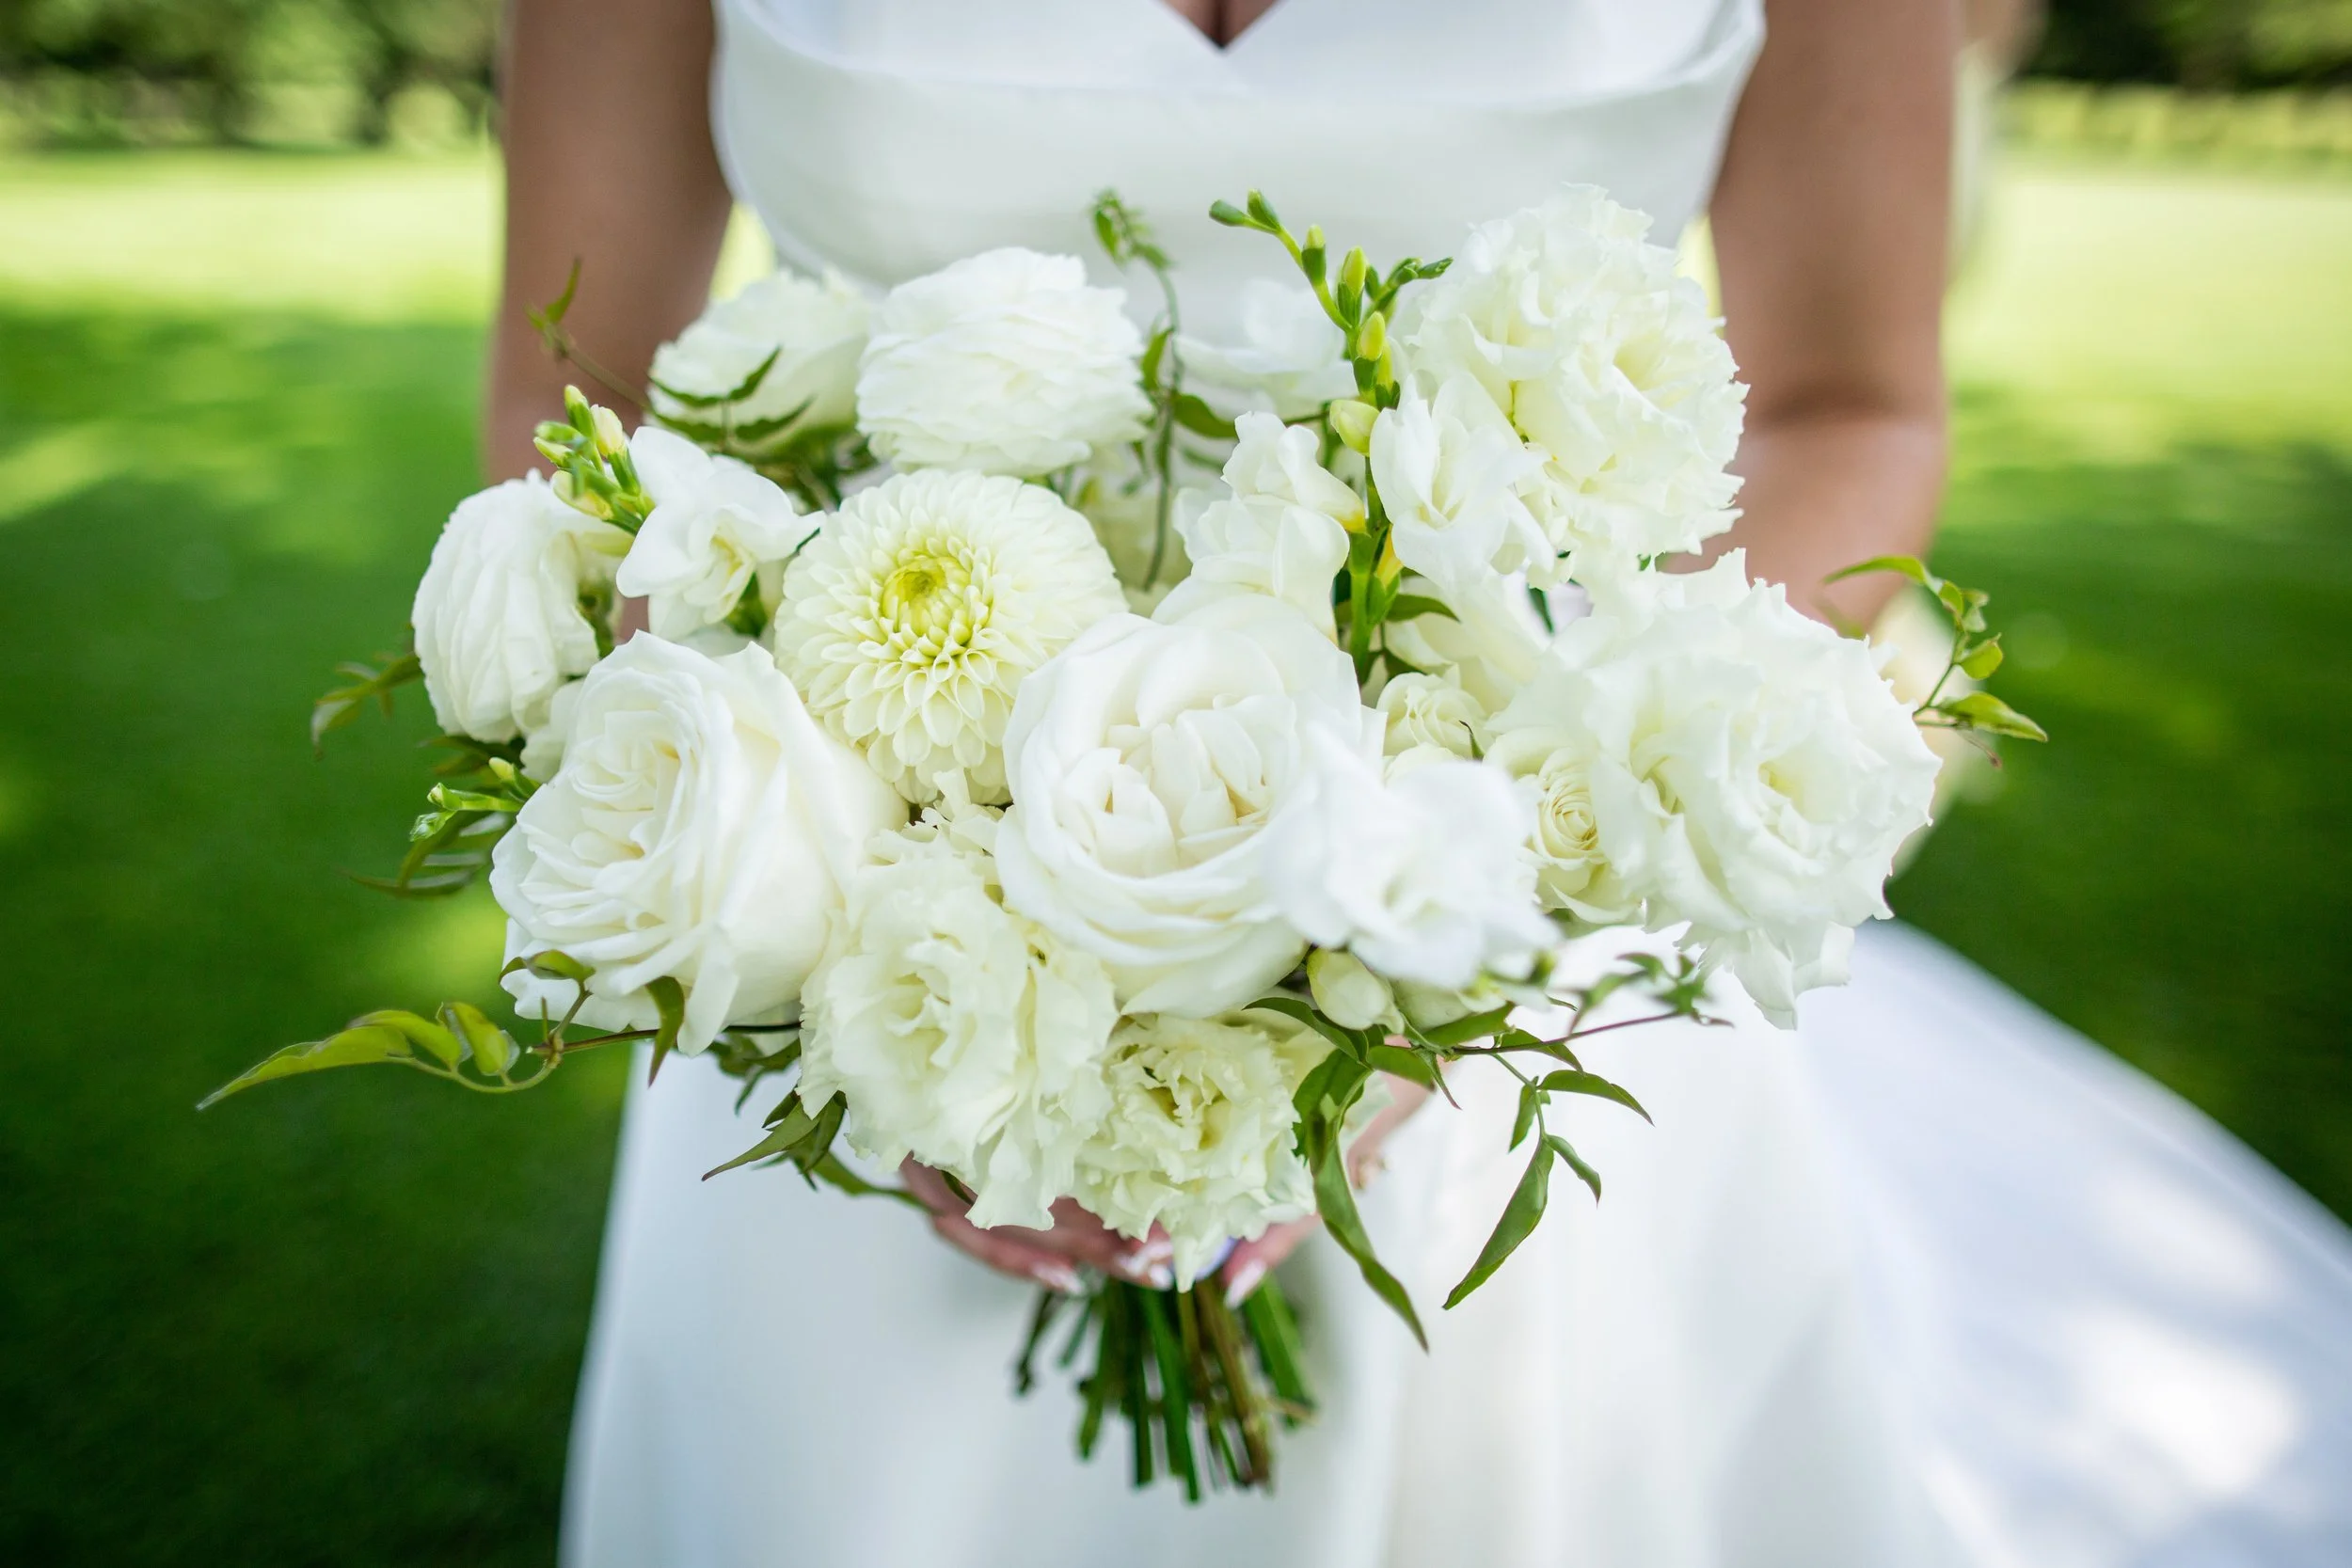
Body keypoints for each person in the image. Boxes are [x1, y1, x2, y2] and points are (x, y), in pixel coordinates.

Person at [487, 3, 2352, 1564]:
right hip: (862, 971)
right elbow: (575, 405)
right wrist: (854, 931)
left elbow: (1843, 403)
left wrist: (1445, 918)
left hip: (1547, 966)